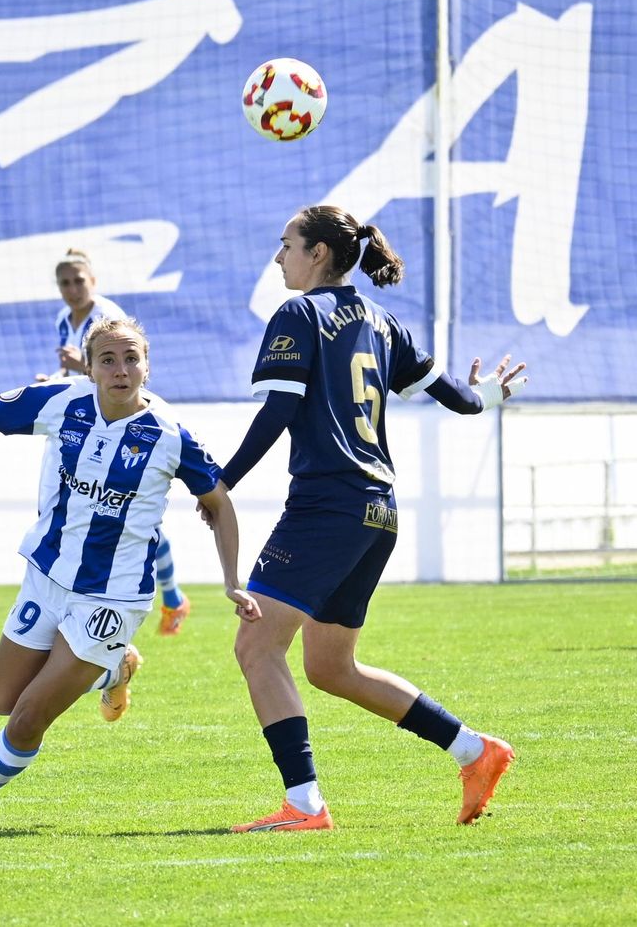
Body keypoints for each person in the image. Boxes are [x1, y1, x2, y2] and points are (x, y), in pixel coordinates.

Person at [0, 316, 242, 832]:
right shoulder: (64, 402)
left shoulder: (170, 436)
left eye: (131, 359)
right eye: (108, 359)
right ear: (90, 368)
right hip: (47, 575)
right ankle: (114, 669)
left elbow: (219, 503)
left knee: (29, 717)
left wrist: (231, 581)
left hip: (112, 598)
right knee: (3, 699)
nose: (120, 370)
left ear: (147, 367)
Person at [210, 204, 526, 832]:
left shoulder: (299, 314)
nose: (278, 256)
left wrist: (222, 483)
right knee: (331, 667)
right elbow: (462, 401)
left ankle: (304, 805)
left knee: (257, 645)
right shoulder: (384, 321)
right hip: (377, 511)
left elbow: (279, 410)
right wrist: (490, 391)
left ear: (318, 253)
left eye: (287, 244)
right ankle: (474, 750)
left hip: (327, 506)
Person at [47, 249, 191, 636]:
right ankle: (167, 599)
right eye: (65, 283)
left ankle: (168, 599)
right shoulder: (63, 320)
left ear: (93, 281)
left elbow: (113, 367)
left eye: (79, 280)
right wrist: (54, 380)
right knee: (97, 508)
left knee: (131, 515)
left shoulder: (106, 316)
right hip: (85, 424)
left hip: (121, 426)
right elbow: (80, 375)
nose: (72, 289)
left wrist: (80, 366)